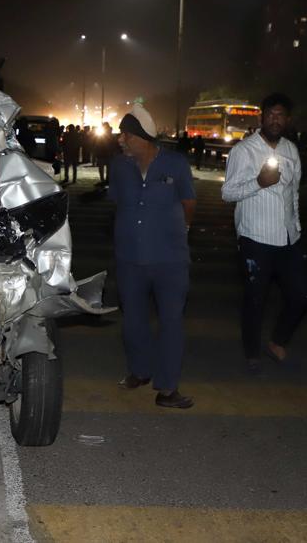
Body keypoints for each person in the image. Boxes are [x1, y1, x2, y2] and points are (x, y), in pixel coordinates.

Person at [108, 104, 197, 409]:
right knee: (133, 321)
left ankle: (168, 388)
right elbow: (118, 201)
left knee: (171, 322)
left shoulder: (176, 164)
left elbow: (188, 203)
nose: (120, 140)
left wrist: (180, 230)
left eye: (125, 135)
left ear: (141, 138)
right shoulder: (118, 167)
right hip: (129, 258)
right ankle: (139, 371)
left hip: (170, 261)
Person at [221, 93, 307, 375]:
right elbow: (227, 193)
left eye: (280, 114)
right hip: (255, 238)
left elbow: (293, 192)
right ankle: (252, 351)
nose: (275, 119)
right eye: (270, 114)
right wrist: (258, 182)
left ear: (287, 119)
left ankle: (277, 341)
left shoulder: (291, 151)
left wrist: (295, 226)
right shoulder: (244, 151)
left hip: (287, 238)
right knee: (255, 299)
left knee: (301, 295)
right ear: (262, 117)